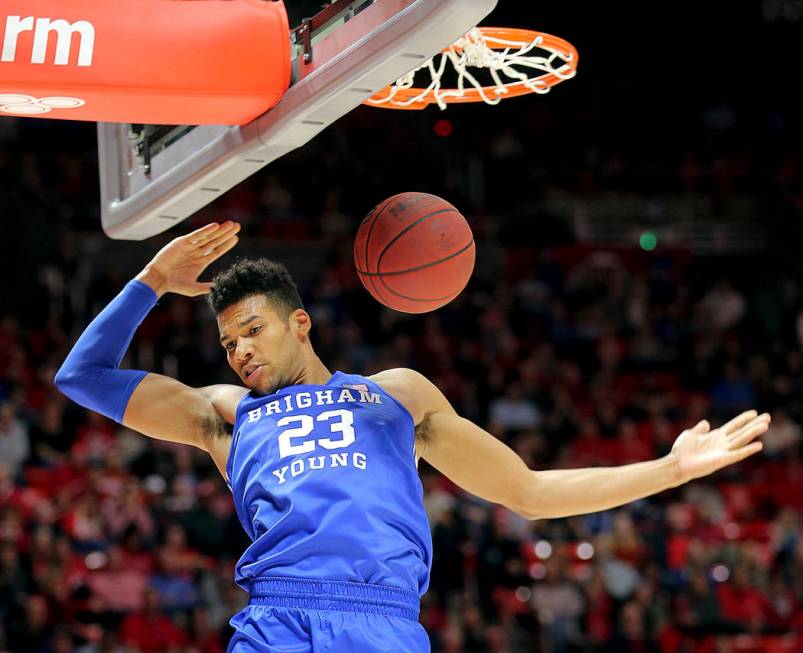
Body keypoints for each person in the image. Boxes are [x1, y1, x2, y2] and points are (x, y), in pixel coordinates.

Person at [55, 221, 771, 652]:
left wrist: (669, 469)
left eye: (253, 330)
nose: (239, 350)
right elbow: (81, 375)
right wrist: (150, 279)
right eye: (226, 340)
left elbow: (526, 491)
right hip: (274, 615)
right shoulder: (226, 414)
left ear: (299, 322)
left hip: (379, 620)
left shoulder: (393, 394)